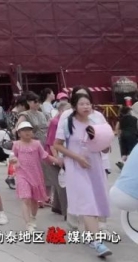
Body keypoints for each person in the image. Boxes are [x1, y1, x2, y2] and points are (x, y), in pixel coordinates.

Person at [53, 93, 113, 258]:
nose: (86, 107)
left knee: (95, 200)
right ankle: (98, 243)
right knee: (87, 202)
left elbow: (104, 147)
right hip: (76, 167)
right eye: (82, 104)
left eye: (88, 103)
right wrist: (77, 157)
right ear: (74, 106)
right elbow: (57, 145)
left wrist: (105, 142)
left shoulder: (96, 122)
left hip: (95, 166)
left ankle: (89, 235)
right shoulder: (68, 123)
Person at [11, 121, 61, 233]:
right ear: (19, 133)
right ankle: (28, 224)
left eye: (29, 130)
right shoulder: (17, 145)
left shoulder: (37, 144)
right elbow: (12, 157)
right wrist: (13, 160)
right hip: (22, 174)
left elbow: (45, 156)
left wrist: (57, 161)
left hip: (35, 175)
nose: (27, 132)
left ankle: (33, 217)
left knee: (34, 200)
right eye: (24, 130)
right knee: (26, 198)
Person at [116, 105, 138, 170]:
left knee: (124, 151)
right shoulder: (134, 119)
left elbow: (117, 128)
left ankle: (122, 161)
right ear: (129, 112)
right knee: (131, 151)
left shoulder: (121, 119)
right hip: (132, 135)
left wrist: (119, 136)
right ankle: (129, 164)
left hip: (123, 135)